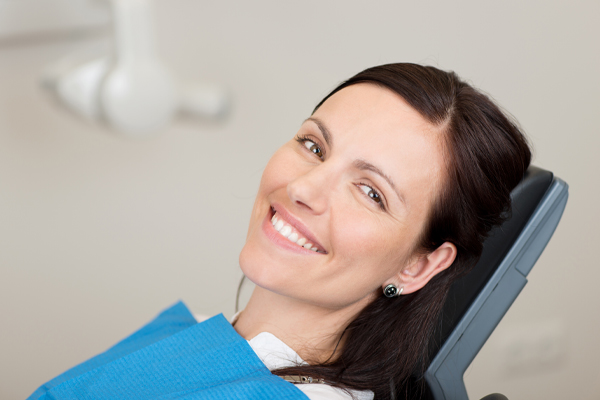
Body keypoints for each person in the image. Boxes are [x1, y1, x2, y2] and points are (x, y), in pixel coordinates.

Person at [29, 63, 531, 400]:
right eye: (314, 146)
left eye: (370, 191)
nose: (304, 188)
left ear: (418, 264)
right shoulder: (198, 330)